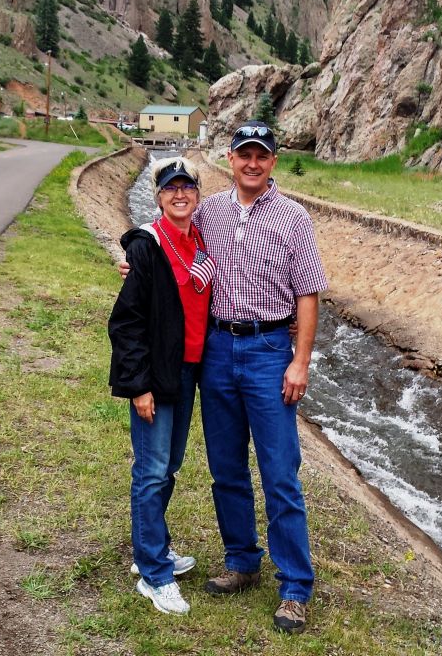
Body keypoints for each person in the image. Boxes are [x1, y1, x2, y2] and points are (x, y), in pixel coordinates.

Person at [120, 121, 328, 635]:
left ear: (273, 161)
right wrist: (136, 264)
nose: (252, 163)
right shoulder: (209, 211)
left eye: (262, 155)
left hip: (268, 350)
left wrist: (300, 361)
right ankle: (241, 560)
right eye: (244, 154)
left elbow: (308, 294)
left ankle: (294, 586)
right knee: (226, 467)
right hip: (215, 351)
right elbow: (166, 238)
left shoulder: (294, 217)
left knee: (280, 472)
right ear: (230, 160)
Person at [108, 156, 215, 617]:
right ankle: (154, 574)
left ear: (197, 194)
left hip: (187, 371)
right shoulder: (147, 246)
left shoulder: (201, 241)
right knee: (151, 470)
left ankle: (150, 548)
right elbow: (126, 323)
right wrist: (139, 386)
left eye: (187, 187)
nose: (179, 194)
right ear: (158, 197)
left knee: (168, 466)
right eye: (170, 188)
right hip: (156, 374)